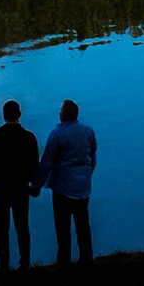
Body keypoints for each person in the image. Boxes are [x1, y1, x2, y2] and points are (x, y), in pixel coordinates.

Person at [31, 98, 97, 264]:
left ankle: (64, 261)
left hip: (62, 188)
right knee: (83, 224)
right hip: (83, 187)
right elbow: (92, 157)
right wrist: (86, 175)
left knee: (63, 227)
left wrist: (36, 185)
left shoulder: (56, 134)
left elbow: (46, 163)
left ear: (63, 115)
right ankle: (86, 259)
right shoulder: (88, 131)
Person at [0, 99, 40, 270]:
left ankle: (4, 265)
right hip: (21, 188)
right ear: (19, 115)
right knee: (22, 226)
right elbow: (34, 165)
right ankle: (25, 263)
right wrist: (34, 186)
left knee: (2, 228)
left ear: (3, 115)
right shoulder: (29, 137)